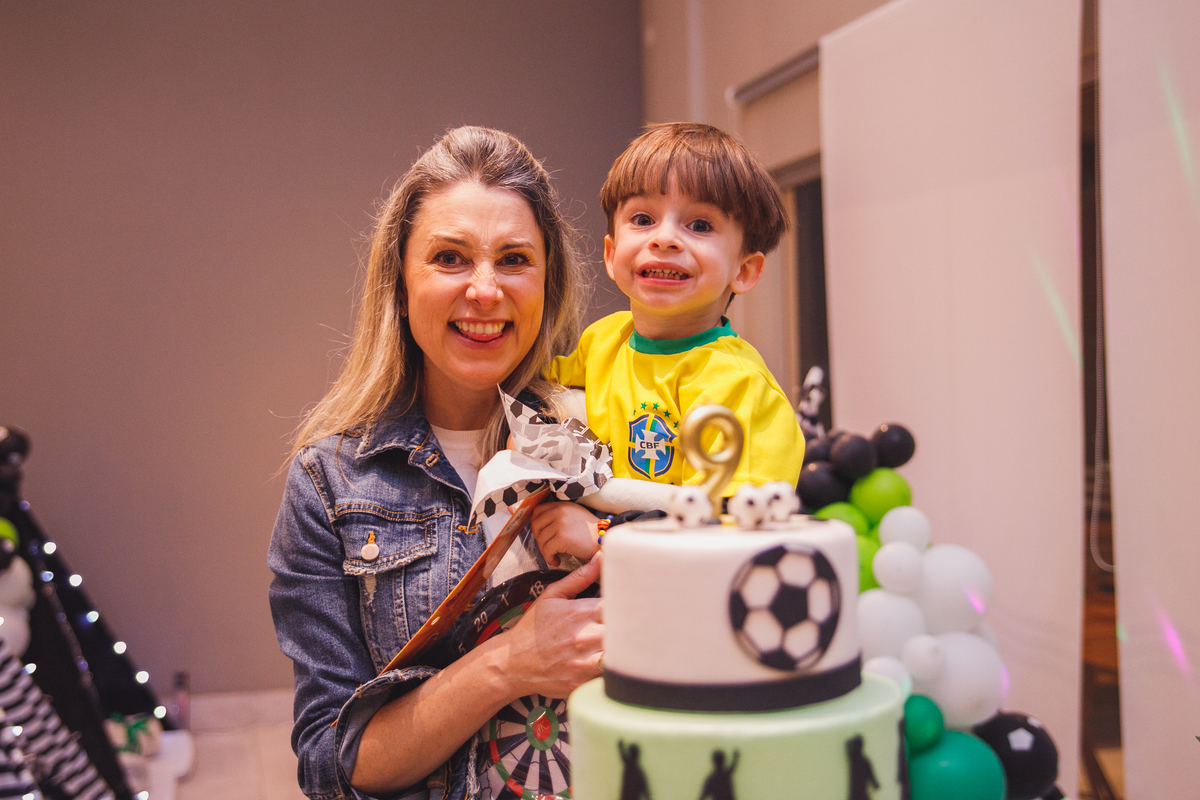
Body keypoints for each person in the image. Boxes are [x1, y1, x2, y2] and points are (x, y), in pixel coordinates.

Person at [269, 126, 602, 800]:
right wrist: (510, 663)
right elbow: (335, 766)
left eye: (513, 259)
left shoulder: (606, 437)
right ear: (401, 279)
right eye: (450, 258)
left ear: (547, 280)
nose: (484, 291)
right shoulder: (328, 483)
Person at [531, 122, 805, 567]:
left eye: (699, 224)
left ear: (745, 270)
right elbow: (535, 393)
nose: (664, 238)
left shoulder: (737, 387)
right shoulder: (603, 340)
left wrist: (603, 535)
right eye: (642, 219)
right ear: (610, 252)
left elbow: (728, 530)